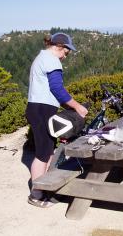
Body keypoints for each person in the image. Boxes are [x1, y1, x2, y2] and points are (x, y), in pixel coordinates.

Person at [25, 32, 88, 208]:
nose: (66, 56)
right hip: (42, 110)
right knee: (43, 153)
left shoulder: (42, 57)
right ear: (59, 46)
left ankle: (45, 186)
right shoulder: (52, 60)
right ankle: (36, 194)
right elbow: (57, 89)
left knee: (48, 151)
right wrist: (76, 106)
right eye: (66, 52)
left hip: (37, 108)